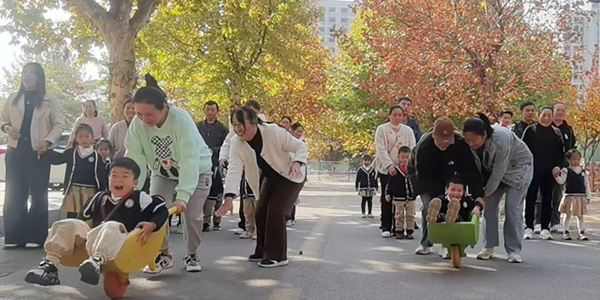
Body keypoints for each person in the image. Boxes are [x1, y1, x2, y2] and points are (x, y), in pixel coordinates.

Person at [23, 157, 168, 287]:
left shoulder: (139, 197)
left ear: (135, 182)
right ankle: (50, 266)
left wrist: (152, 224)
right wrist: (74, 234)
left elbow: (161, 210)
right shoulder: (99, 197)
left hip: (122, 242)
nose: (118, 180)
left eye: (125, 177)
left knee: (111, 226)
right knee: (66, 224)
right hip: (94, 238)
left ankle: (96, 261)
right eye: (114, 176)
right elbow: (81, 219)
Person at [125, 74, 213, 273]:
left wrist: (182, 196)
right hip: (162, 172)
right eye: (138, 114)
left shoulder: (181, 120)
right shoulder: (138, 125)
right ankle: (162, 254)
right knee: (156, 210)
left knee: (191, 216)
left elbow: (189, 158)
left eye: (149, 115)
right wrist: (133, 191)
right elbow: (135, 156)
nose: (143, 119)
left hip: (197, 171)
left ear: (164, 108)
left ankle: (191, 254)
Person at [216, 106, 307, 268]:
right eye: (234, 125)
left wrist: (297, 162)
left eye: (240, 124)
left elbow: (300, 147)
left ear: (252, 122)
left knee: (276, 212)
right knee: (260, 212)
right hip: (271, 177)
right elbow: (234, 170)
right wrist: (229, 198)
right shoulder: (236, 143)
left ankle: (277, 256)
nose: (237, 129)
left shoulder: (273, 131)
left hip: (291, 175)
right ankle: (263, 251)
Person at [1, 62, 65, 249]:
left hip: (39, 153)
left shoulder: (49, 100)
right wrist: (7, 128)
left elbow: (59, 124)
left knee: (38, 195)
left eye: (31, 74)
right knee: (14, 194)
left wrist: (47, 141)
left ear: (39, 77)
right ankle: (13, 237)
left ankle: (36, 237)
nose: (26, 77)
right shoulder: (13, 97)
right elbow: (3, 119)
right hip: (15, 152)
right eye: (24, 73)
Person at [462, 113, 533, 263]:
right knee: (489, 207)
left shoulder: (502, 140)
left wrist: (481, 197)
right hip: (493, 172)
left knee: (512, 208)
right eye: (467, 140)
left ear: (484, 135)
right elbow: (474, 170)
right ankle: (489, 247)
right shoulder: (470, 145)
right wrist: (479, 197)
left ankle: (513, 250)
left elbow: (498, 173)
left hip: (518, 169)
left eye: (473, 140)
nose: (470, 144)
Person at [408, 117, 484, 255]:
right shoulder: (424, 146)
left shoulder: (460, 144)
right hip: (427, 176)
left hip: (452, 174)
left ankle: (447, 241)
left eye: (447, 142)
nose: (444, 145)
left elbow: (471, 172)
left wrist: (478, 196)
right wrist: (439, 197)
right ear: (433, 136)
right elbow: (423, 177)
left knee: (454, 204)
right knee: (431, 207)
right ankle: (426, 242)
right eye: (440, 142)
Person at [522, 107, 565, 240]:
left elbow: (561, 153)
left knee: (548, 200)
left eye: (549, 115)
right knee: (531, 199)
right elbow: (522, 149)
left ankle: (545, 228)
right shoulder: (531, 130)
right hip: (532, 171)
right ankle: (529, 227)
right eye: (544, 115)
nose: (546, 118)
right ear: (539, 115)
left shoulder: (557, 133)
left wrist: (559, 167)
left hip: (549, 173)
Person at [48, 124, 108, 219]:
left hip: (90, 191)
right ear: (76, 138)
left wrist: (103, 191)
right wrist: (47, 151)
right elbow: (58, 159)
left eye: (87, 136)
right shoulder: (71, 152)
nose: (84, 139)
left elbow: (101, 175)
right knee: (71, 216)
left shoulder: (96, 156)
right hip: (73, 189)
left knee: (87, 216)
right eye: (80, 136)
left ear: (92, 138)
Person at [374, 105, 416, 238]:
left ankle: (403, 227)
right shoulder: (382, 129)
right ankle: (386, 226)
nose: (397, 117)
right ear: (389, 115)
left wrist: (408, 164)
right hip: (387, 169)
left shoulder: (408, 130)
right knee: (387, 196)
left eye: (400, 115)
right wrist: (389, 165)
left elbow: (412, 147)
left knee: (404, 198)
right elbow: (380, 148)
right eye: (395, 114)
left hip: (404, 170)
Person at [426, 176, 484, 258]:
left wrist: (477, 207)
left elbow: (478, 201)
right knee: (441, 216)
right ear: (447, 190)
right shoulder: (441, 200)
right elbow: (436, 202)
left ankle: (451, 215)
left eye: (459, 190)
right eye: (452, 190)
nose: (456, 193)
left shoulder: (466, 200)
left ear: (463, 191)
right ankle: (434, 216)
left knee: (456, 217)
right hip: (444, 224)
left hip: (461, 224)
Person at [197, 100, 230, 232]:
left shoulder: (223, 129)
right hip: (200, 163)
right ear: (204, 110)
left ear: (217, 111)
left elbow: (226, 145)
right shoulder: (198, 127)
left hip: (216, 163)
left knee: (216, 193)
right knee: (201, 192)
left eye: (213, 110)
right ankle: (204, 221)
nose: (210, 112)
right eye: (208, 109)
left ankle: (216, 220)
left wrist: (214, 150)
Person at [549, 102, 577, 233]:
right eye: (557, 110)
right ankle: (538, 221)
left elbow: (571, 147)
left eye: (562, 110)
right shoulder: (547, 127)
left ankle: (555, 222)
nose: (560, 112)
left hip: (562, 168)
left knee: (557, 195)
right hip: (546, 165)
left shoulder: (568, 130)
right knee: (541, 195)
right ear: (552, 112)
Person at [553, 149, 591, 241]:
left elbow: (587, 184)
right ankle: (566, 232)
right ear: (568, 160)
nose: (576, 161)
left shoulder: (583, 172)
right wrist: (557, 176)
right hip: (570, 196)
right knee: (567, 214)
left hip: (580, 196)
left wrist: (588, 196)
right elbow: (562, 182)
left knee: (580, 215)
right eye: (573, 159)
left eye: (578, 159)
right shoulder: (566, 171)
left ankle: (581, 232)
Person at [385, 146, 415, 239]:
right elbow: (390, 183)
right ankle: (399, 231)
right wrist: (388, 193)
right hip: (398, 197)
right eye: (403, 157)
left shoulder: (413, 170)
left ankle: (410, 231)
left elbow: (416, 182)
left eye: (407, 157)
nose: (405, 159)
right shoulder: (395, 171)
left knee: (410, 215)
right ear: (398, 157)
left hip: (410, 197)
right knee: (399, 215)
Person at [288, 122, 306, 225]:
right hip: (286, 172)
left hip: (297, 173)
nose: (299, 134)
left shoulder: (302, 144)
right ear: (292, 131)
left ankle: (291, 217)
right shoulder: (287, 142)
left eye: (301, 132)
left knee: (293, 196)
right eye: (298, 131)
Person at [355, 154, 377, 218]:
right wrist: (356, 186)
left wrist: (376, 186)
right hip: (363, 187)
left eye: (368, 160)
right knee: (364, 200)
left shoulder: (372, 169)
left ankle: (370, 212)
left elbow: (374, 178)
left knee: (370, 200)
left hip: (371, 187)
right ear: (362, 161)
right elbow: (358, 179)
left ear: (370, 161)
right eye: (365, 160)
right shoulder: (360, 170)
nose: (367, 162)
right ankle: (363, 212)